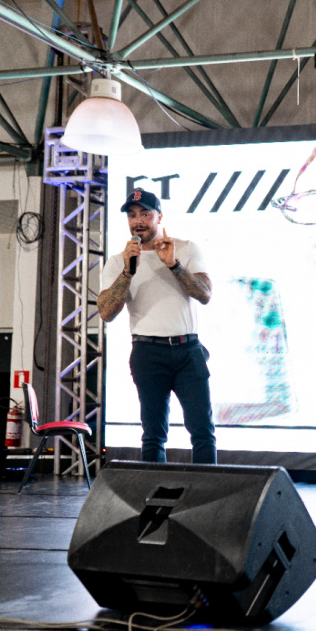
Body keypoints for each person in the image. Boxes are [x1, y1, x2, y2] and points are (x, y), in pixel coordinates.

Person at [99, 189, 217, 464]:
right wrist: (128, 271)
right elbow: (106, 313)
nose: (138, 221)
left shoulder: (185, 248)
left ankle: (207, 489)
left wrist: (174, 265)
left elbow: (204, 295)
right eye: (132, 215)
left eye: (145, 214)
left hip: (188, 350)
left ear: (159, 217)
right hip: (147, 352)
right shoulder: (118, 261)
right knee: (153, 434)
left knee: (202, 430)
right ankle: (153, 490)